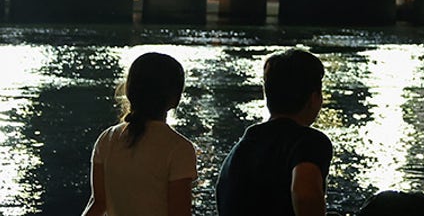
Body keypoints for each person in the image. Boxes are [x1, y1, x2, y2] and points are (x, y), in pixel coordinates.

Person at [216, 48, 333, 216]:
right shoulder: (309, 141)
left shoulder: (242, 147)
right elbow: (304, 194)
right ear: (314, 98)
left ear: (267, 95)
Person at [81, 51, 197, 216]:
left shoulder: (107, 139)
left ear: (130, 92)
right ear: (175, 98)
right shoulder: (179, 149)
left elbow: (98, 204)